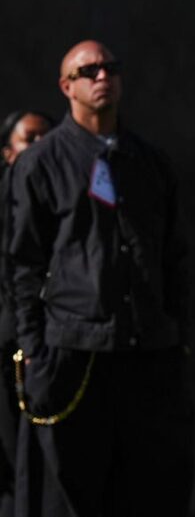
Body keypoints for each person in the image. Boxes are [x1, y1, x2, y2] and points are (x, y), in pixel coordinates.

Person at [8, 40, 193, 517]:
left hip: (146, 354)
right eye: (87, 70)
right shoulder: (40, 163)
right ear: (66, 86)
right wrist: (35, 351)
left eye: (110, 67)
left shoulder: (149, 162)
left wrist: (176, 336)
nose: (102, 76)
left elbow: (173, 256)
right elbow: (22, 265)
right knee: (71, 495)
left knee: (149, 491)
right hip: (73, 354)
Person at [0, 110, 52, 517]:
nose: (38, 148)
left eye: (44, 139)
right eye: (28, 139)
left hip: (48, 346)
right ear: (7, 152)